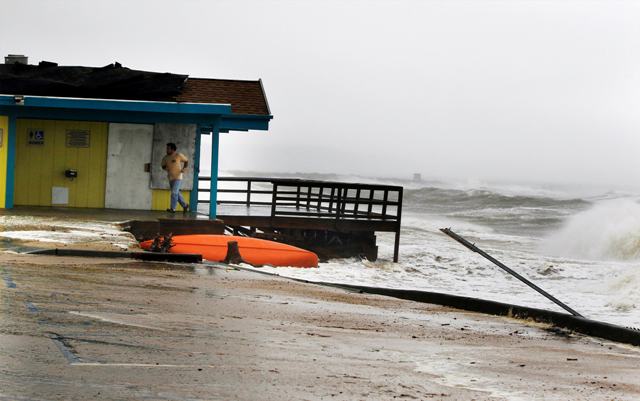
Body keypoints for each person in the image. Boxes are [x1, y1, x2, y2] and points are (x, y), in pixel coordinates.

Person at [161, 142, 189, 213]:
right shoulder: (165, 157)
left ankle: (172, 209)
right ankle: (185, 205)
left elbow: (186, 161)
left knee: (174, 192)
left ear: (173, 149)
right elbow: (163, 165)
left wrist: (184, 168)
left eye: (168, 149)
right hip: (170, 178)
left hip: (178, 177)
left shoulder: (178, 155)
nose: (166, 150)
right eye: (166, 148)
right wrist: (165, 167)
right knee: (177, 193)